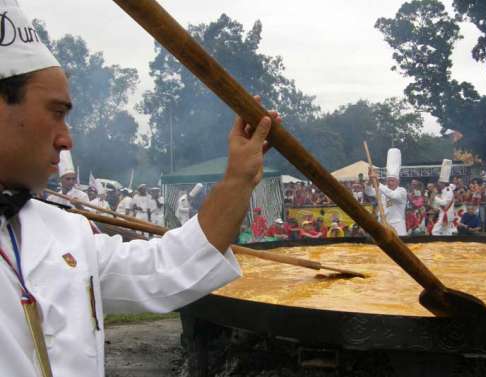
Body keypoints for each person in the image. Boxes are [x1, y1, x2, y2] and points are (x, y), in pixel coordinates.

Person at [0, 4, 281, 375]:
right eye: (56, 112)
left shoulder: (67, 234)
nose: (66, 139)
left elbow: (165, 269)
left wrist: (239, 179)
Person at [369, 148, 407, 236]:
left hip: (398, 226)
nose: (390, 183)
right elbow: (369, 192)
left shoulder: (402, 191)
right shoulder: (383, 189)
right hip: (383, 224)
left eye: (392, 181)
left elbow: (393, 195)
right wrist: (370, 180)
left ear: (398, 182)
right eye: (388, 180)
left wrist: (378, 183)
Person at [432, 159, 456, 236]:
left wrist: (435, 198)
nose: (438, 183)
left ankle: (437, 245)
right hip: (445, 213)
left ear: (443, 183)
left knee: (435, 231)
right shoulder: (444, 190)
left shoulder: (448, 191)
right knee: (447, 232)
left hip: (446, 214)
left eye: (439, 182)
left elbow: (445, 203)